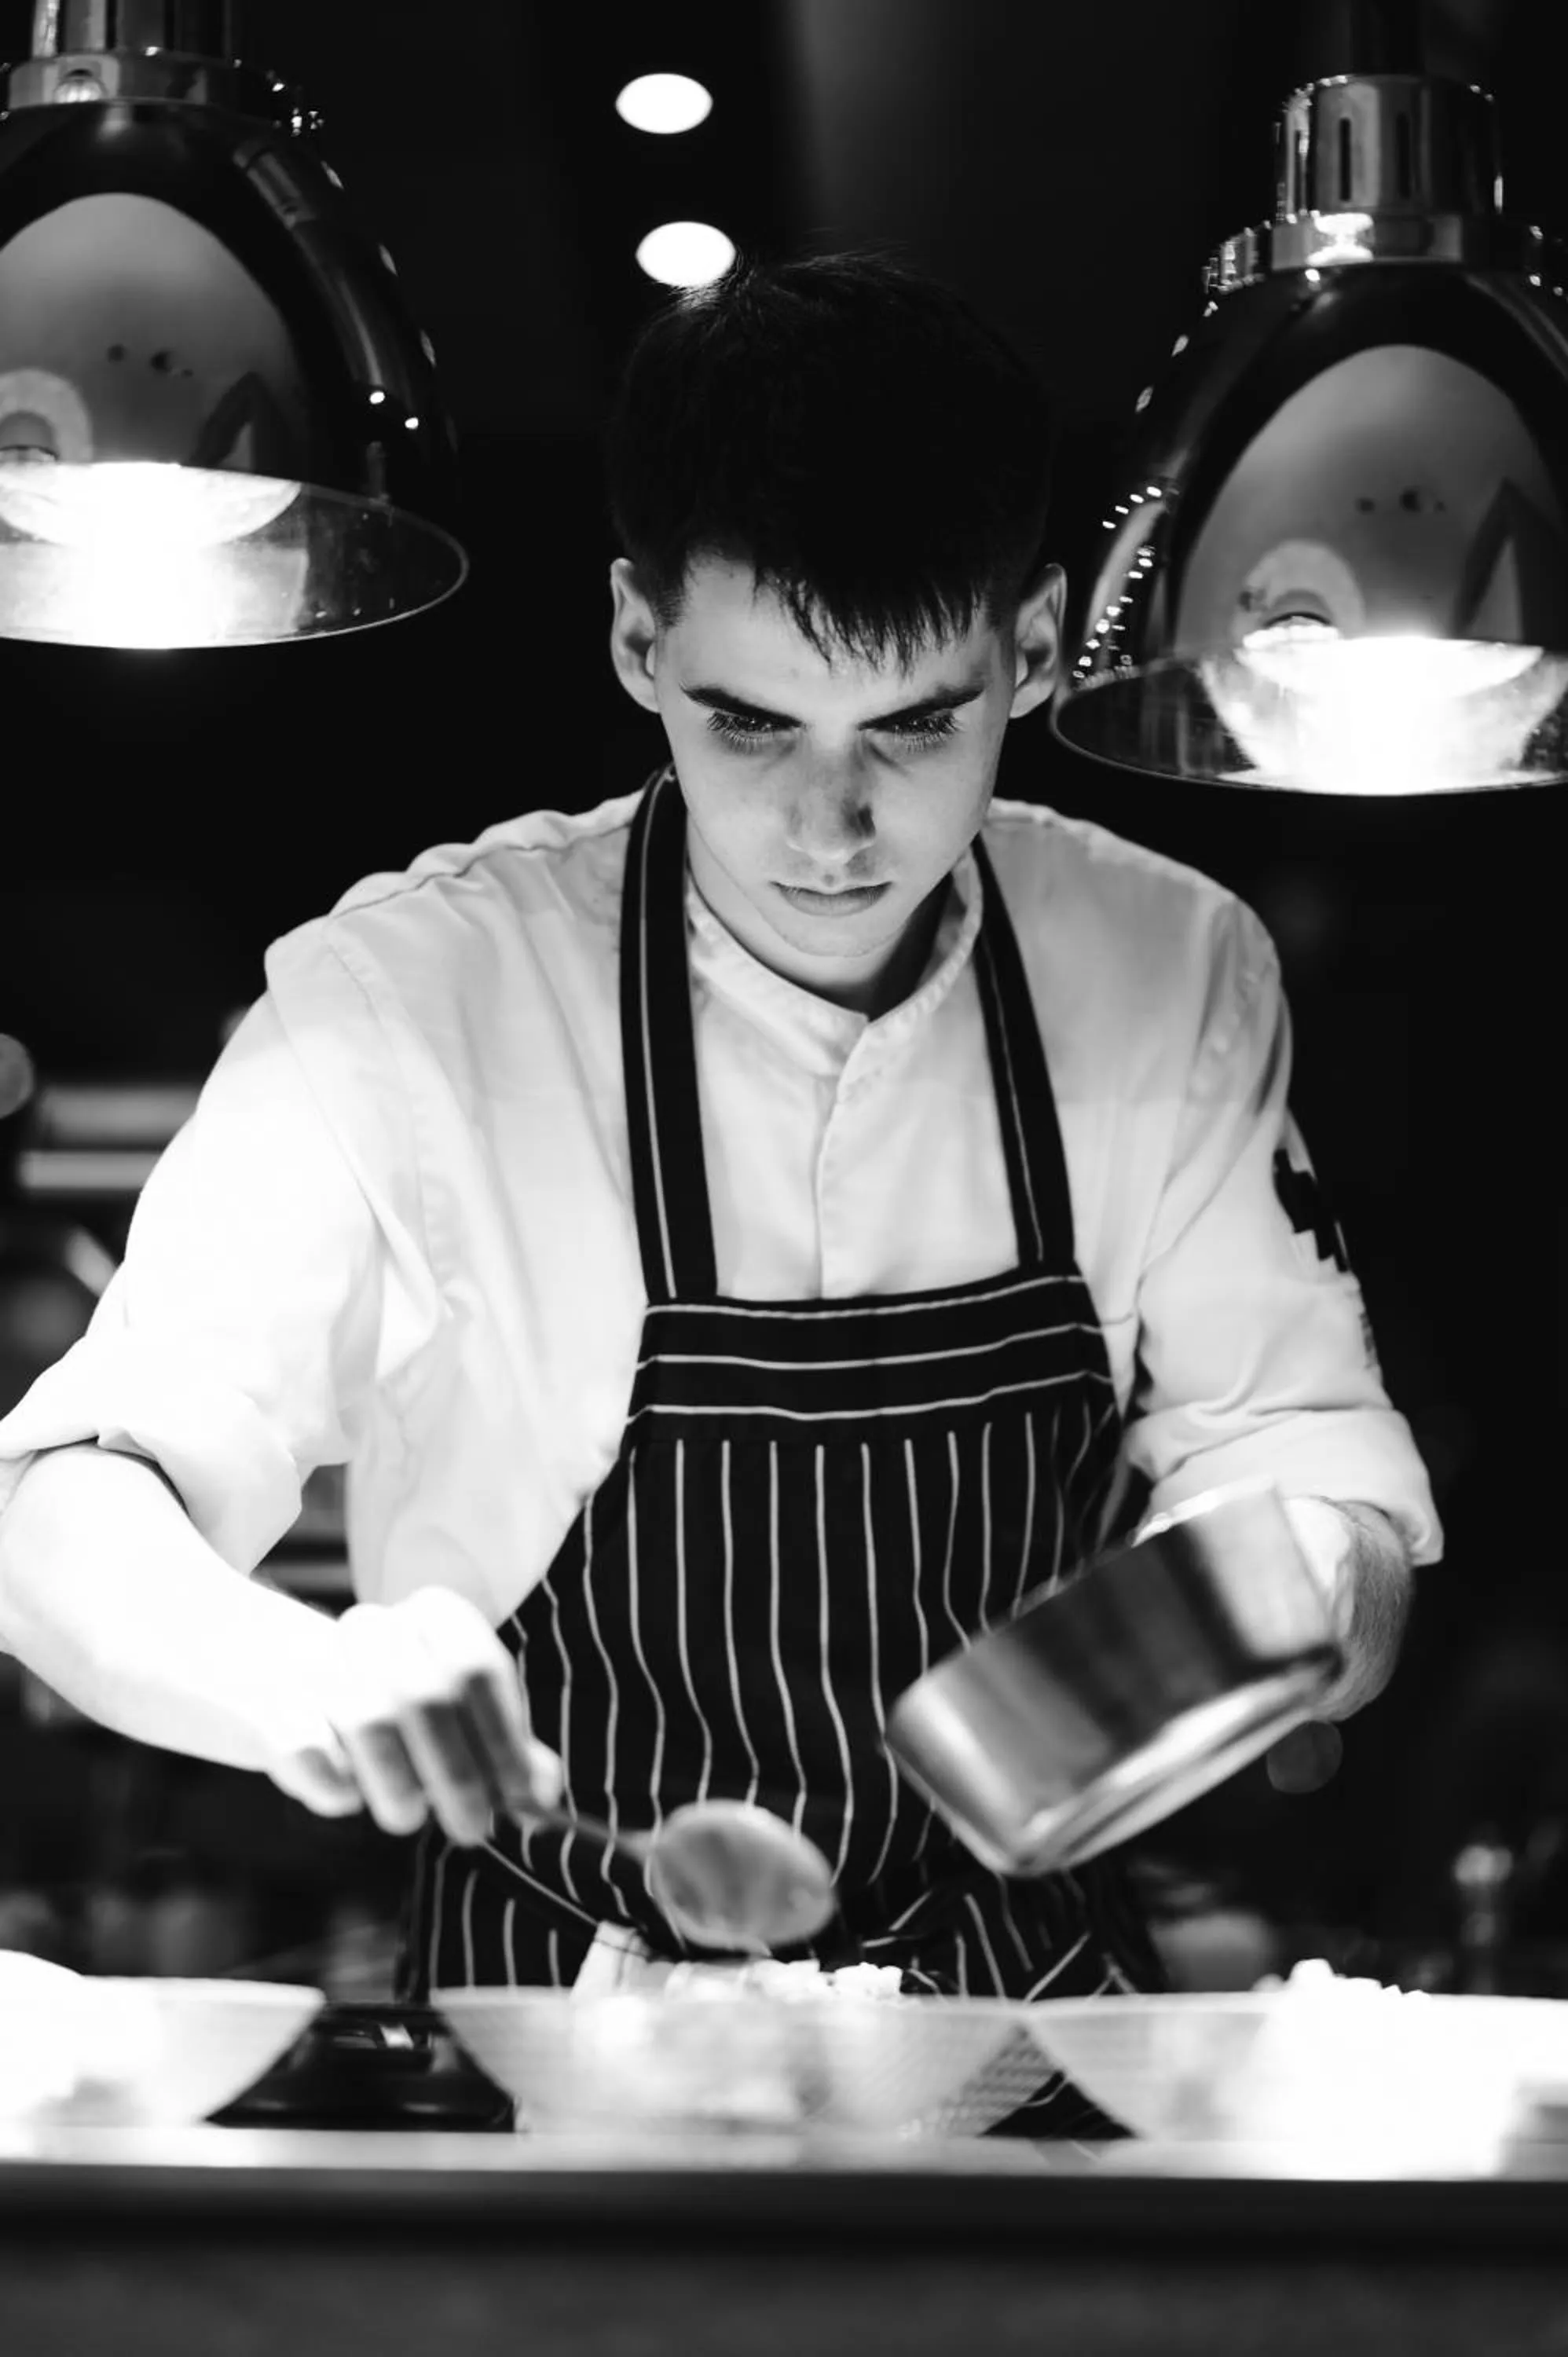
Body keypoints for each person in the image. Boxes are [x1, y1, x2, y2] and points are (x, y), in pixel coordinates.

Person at [0, 252, 1438, 2130]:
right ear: (633, 644)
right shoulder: (413, 1002)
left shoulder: (1166, 971)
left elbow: (1314, 1480)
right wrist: (304, 1678)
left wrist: (1271, 1599)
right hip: (549, 2060)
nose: (827, 834)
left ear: (1027, 644)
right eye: (749, 724)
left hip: (1025, 2042)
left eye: (912, 728)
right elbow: (61, 1515)